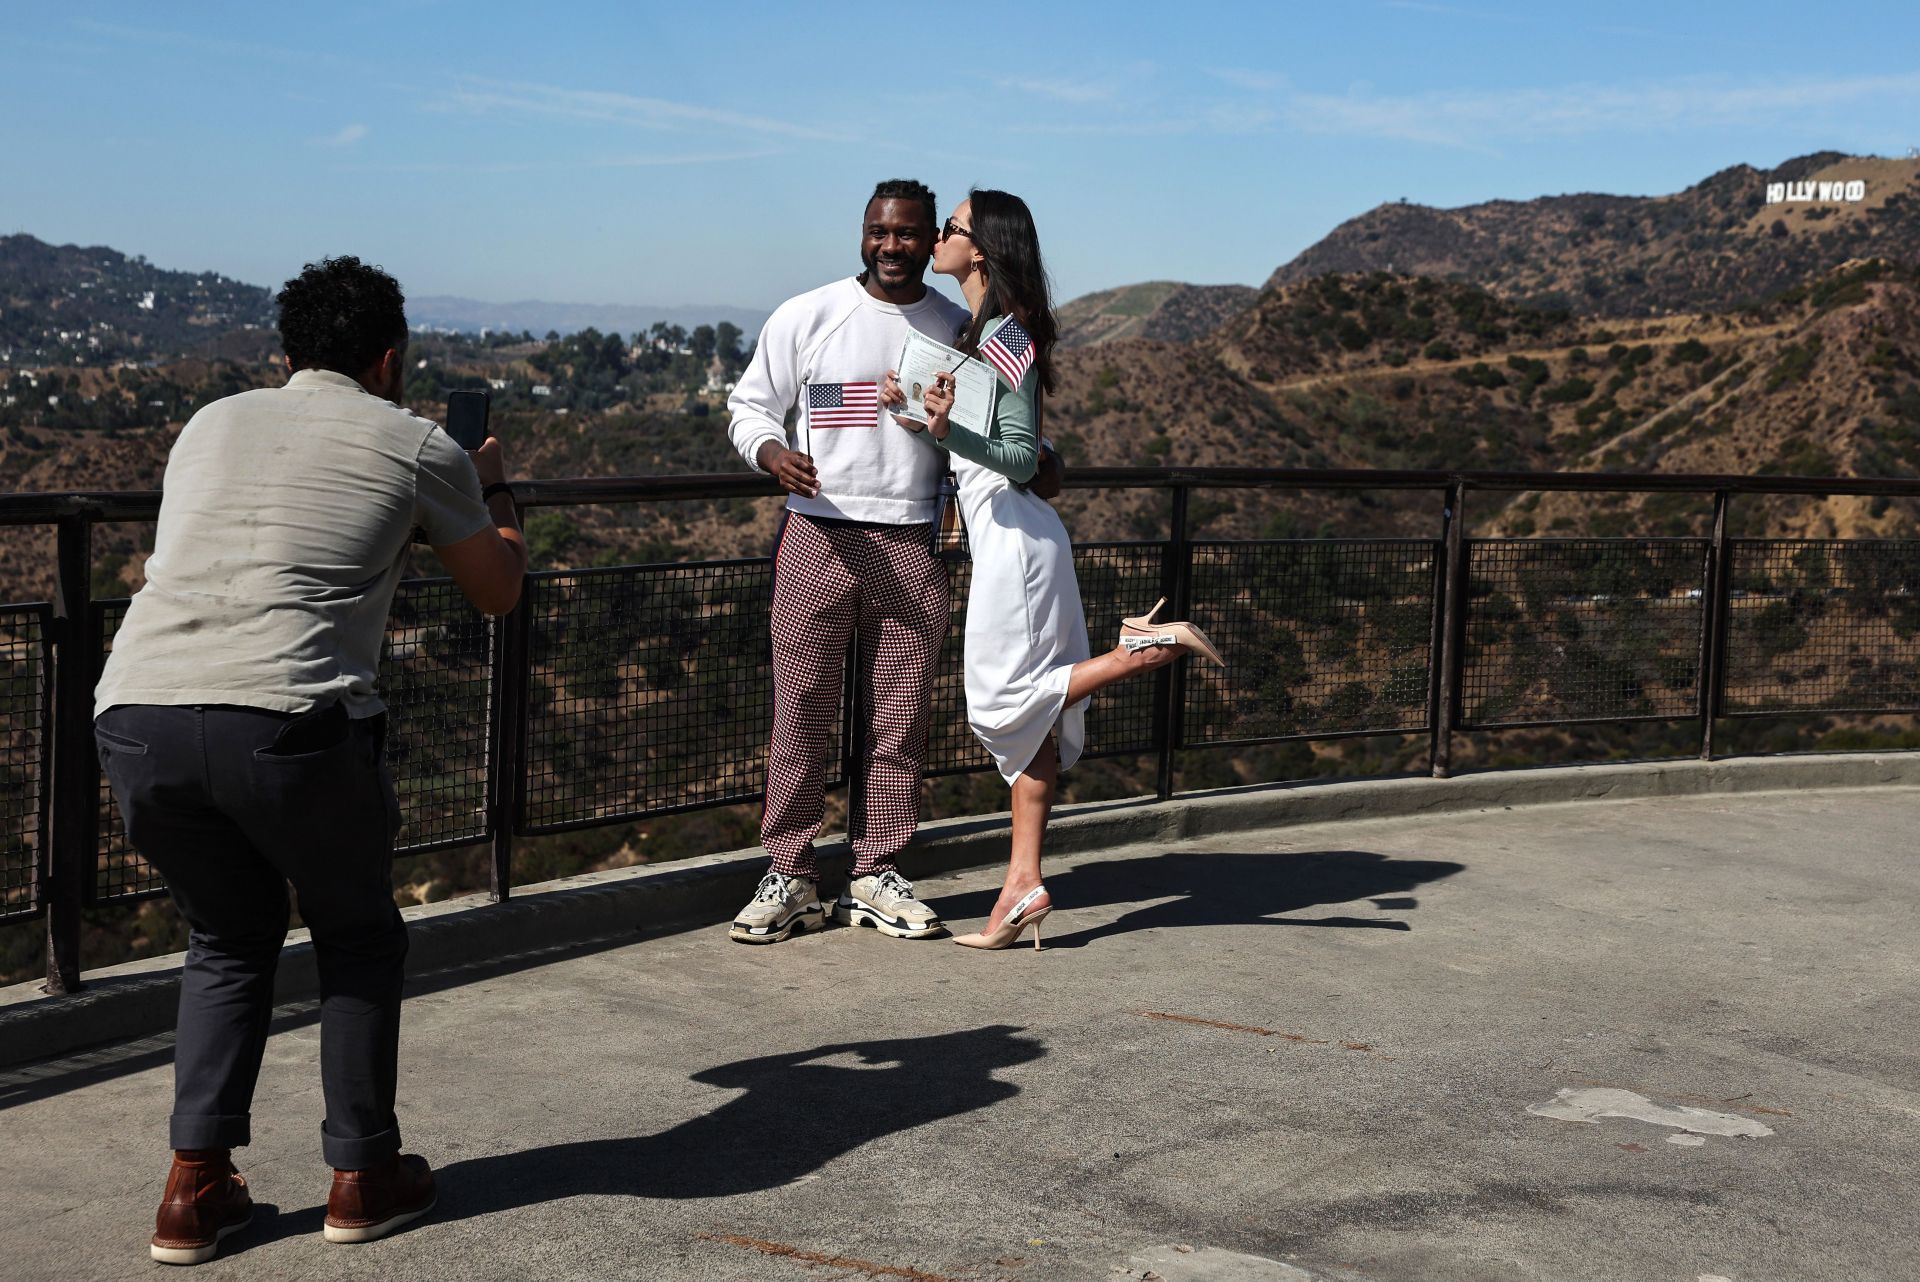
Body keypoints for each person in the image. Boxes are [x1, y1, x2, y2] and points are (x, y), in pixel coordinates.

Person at [93, 256, 527, 1264]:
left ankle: (192, 1191)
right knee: (357, 933)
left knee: (228, 936)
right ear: (389, 359)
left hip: (137, 717)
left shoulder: (208, 423)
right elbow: (498, 591)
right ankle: (363, 1174)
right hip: (288, 723)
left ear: (283, 356)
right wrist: (493, 484)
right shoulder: (422, 442)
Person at [885, 191, 1223, 950]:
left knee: (1003, 703)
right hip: (1010, 538)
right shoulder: (983, 333)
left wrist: (946, 429)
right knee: (1031, 727)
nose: (939, 237)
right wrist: (919, 414)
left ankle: (1143, 650)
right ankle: (1022, 886)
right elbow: (992, 437)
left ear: (981, 249)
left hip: (1015, 543)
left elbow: (1017, 454)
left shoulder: (1008, 334)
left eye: (952, 228)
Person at [722, 179, 975, 944]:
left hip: (911, 541)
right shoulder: (809, 314)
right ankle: (791, 873)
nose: (890, 247)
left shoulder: (956, 326)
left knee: (897, 723)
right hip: (817, 535)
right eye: (878, 232)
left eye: (906, 234)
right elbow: (748, 406)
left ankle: (875, 875)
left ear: (930, 241)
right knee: (800, 712)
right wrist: (770, 452)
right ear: (862, 233)